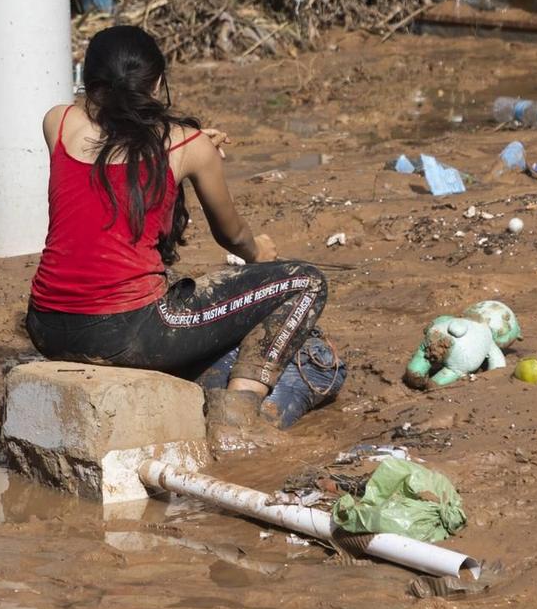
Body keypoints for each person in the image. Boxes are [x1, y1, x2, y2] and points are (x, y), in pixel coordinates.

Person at [25, 25, 344, 444]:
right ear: (157, 83)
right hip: (125, 330)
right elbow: (232, 236)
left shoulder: (57, 121)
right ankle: (239, 411)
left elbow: (113, 159)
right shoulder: (186, 145)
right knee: (306, 282)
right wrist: (258, 250)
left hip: (46, 326)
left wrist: (190, 145)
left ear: (88, 77)